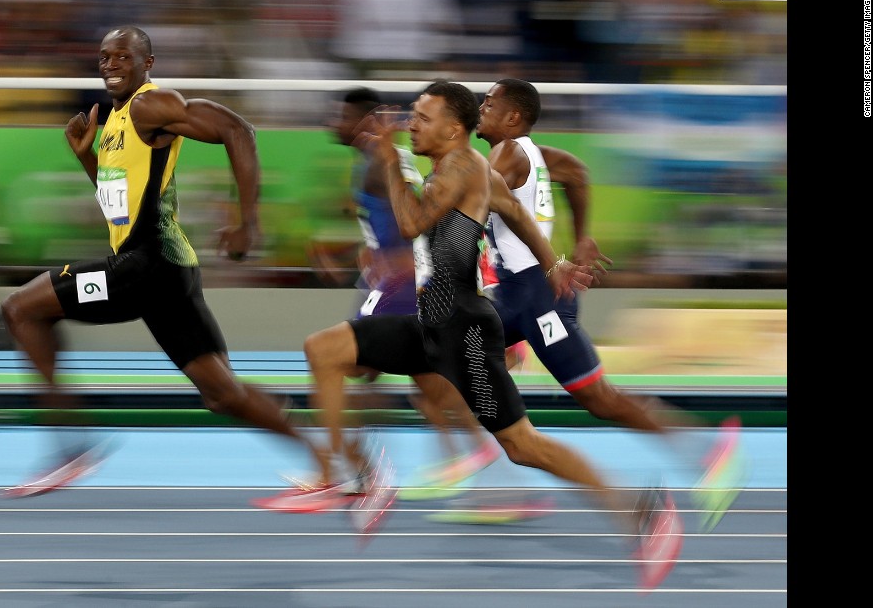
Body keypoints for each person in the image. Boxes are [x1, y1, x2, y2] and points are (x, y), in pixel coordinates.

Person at [257, 80, 684, 590]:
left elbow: (413, 222)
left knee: (523, 446)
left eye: (421, 116)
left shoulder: (461, 167)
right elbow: (518, 213)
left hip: (463, 331)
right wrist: (556, 263)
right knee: (324, 350)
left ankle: (643, 512)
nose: (410, 123)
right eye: (412, 115)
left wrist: (391, 162)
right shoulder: (474, 170)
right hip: (431, 322)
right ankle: (345, 478)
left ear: (453, 129)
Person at [0, 25, 329, 498]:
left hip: (145, 266)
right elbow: (121, 205)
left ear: (147, 63)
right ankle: (329, 464)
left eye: (123, 57)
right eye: (104, 57)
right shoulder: (111, 123)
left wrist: (247, 221)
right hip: (163, 273)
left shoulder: (150, 105)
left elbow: (238, 129)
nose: (111, 65)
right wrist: (87, 159)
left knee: (20, 309)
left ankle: (70, 446)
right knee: (222, 394)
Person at [472, 78, 746, 532]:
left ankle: (707, 453)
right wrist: (583, 239)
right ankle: (502, 478)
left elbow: (475, 205)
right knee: (465, 358)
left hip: (538, 301)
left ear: (513, 117)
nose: (481, 107)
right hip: (518, 298)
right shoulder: (537, 155)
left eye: (489, 102)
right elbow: (577, 173)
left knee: (599, 399)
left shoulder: (505, 155)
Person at [286, 86, 499, 498]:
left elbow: (414, 224)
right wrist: (355, 252)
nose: (335, 122)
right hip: (397, 282)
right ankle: (465, 451)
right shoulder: (376, 162)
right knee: (417, 383)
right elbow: (387, 227)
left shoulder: (380, 165)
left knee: (340, 361)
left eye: (342, 116)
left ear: (365, 122)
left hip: (400, 287)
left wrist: (398, 264)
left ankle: (343, 469)